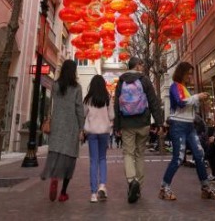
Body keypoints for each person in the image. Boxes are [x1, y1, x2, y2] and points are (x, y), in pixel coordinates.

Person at [159, 62, 215, 201]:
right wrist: (197, 97)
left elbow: (185, 103)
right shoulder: (175, 86)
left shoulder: (183, 88)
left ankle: (205, 188)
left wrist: (197, 99)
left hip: (188, 126)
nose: (190, 76)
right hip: (179, 126)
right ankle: (164, 188)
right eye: (188, 73)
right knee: (178, 157)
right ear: (182, 73)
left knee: (199, 154)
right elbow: (181, 102)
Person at [114, 56, 164, 204]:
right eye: (141, 65)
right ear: (136, 66)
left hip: (127, 123)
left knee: (128, 153)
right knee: (139, 155)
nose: (142, 67)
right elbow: (154, 101)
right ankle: (138, 189)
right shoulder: (145, 80)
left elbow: (116, 104)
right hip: (143, 122)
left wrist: (117, 125)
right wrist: (159, 123)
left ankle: (131, 181)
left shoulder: (121, 81)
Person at [41, 60, 85, 202]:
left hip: (57, 126)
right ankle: (63, 193)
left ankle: (54, 177)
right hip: (71, 127)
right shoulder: (77, 88)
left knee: (55, 154)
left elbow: (52, 104)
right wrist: (81, 128)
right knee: (69, 159)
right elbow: (79, 109)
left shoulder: (55, 85)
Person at [84, 74, 114, 203]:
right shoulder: (107, 98)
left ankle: (93, 193)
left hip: (92, 132)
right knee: (102, 159)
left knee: (93, 161)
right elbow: (112, 115)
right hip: (104, 132)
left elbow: (83, 114)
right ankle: (102, 185)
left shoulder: (88, 99)